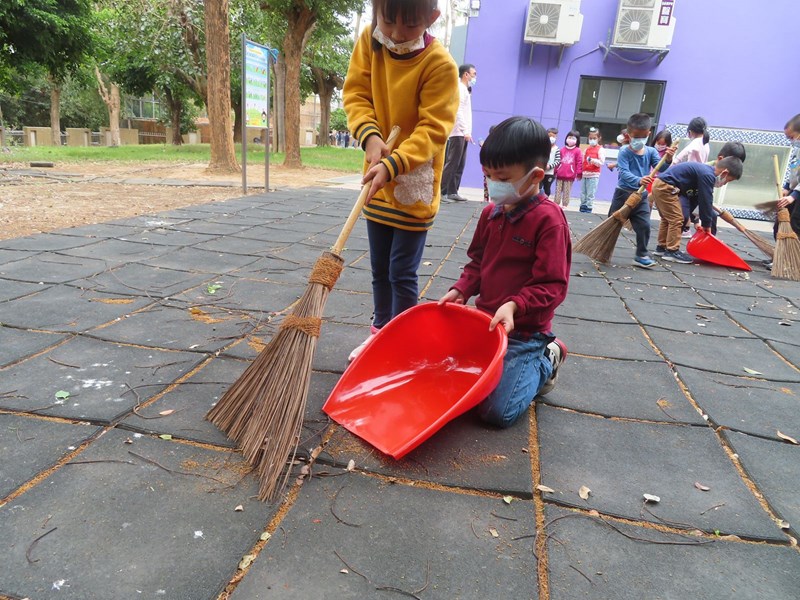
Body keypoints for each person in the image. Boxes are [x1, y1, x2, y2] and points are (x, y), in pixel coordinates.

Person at [342, 0, 459, 362]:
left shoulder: (439, 65)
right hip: (375, 181)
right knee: (379, 269)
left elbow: (433, 130)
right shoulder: (370, 40)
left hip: (413, 184)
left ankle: (405, 344)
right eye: (387, 19)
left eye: (408, 26)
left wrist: (394, 164)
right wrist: (370, 137)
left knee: (401, 272)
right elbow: (356, 94)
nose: (393, 33)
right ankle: (380, 336)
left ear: (431, 19)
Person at [438, 116, 571, 428]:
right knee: (446, 379)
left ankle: (547, 359)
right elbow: (477, 261)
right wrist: (462, 289)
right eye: (487, 176)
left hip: (524, 333)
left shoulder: (549, 221)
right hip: (484, 323)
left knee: (497, 412)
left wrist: (515, 305)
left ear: (536, 175)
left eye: (500, 177)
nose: (491, 184)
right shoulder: (490, 213)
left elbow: (553, 285)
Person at [610, 112, 674, 268]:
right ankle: (603, 248)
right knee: (612, 224)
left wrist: (669, 158)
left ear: (648, 134)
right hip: (623, 193)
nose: (639, 140)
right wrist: (639, 180)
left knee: (644, 225)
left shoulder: (651, 152)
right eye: (635, 137)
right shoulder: (624, 151)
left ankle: (641, 255)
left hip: (641, 196)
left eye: (642, 136)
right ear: (629, 134)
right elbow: (624, 172)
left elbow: (662, 168)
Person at [651, 156, 743, 263]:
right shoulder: (707, 175)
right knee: (676, 219)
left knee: (668, 219)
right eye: (728, 180)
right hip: (666, 187)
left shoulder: (704, 172)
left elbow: (695, 199)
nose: (725, 183)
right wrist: (706, 224)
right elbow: (706, 200)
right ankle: (672, 251)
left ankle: (661, 247)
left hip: (661, 184)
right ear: (725, 173)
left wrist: (696, 220)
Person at [441, 63, 477, 202]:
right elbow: (458, 111)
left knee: (459, 163)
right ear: (465, 74)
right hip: (458, 132)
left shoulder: (466, 90)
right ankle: (442, 192)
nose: (475, 77)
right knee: (452, 162)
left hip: (463, 133)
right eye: (473, 74)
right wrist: (465, 130)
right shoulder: (460, 89)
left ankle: (452, 191)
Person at [775, 113, 800, 240]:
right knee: (780, 221)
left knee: (795, 224)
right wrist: (786, 187)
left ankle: (794, 257)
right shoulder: (797, 149)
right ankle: (780, 255)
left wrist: (794, 196)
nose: (791, 141)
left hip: (797, 194)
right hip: (793, 191)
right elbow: (794, 171)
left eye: (792, 137)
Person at [553, 129, 582, 207]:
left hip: (570, 176)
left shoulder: (578, 151)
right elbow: (558, 161)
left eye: (573, 138)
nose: (570, 139)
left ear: (577, 140)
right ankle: (556, 204)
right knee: (558, 191)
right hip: (560, 175)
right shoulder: (562, 150)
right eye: (569, 137)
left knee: (566, 192)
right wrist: (555, 171)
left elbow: (579, 162)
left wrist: (579, 173)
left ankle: (565, 205)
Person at [579, 127, 604, 213]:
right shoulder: (587, 149)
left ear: (599, 138)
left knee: (590, 193)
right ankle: (582, 206)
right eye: (590, 138)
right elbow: (583, 161)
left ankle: (588, 208)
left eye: (594, 138)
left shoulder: (600, 149)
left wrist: (593, 160)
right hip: (585, 174)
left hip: (594, 175)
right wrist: (580, 172)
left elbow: (601, 162)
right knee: (583, 192)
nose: (592, 140)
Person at [542, 127, 561, 199]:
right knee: (539, 188)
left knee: (547, 188)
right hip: (541, 171)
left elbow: (557, 161)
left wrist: (549, 166)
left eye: (553, 136)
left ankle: (545, 199)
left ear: (556, 137)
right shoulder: (542, 147)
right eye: (549, 136)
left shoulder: (556, 149)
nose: (551, 138)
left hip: (550, 173)